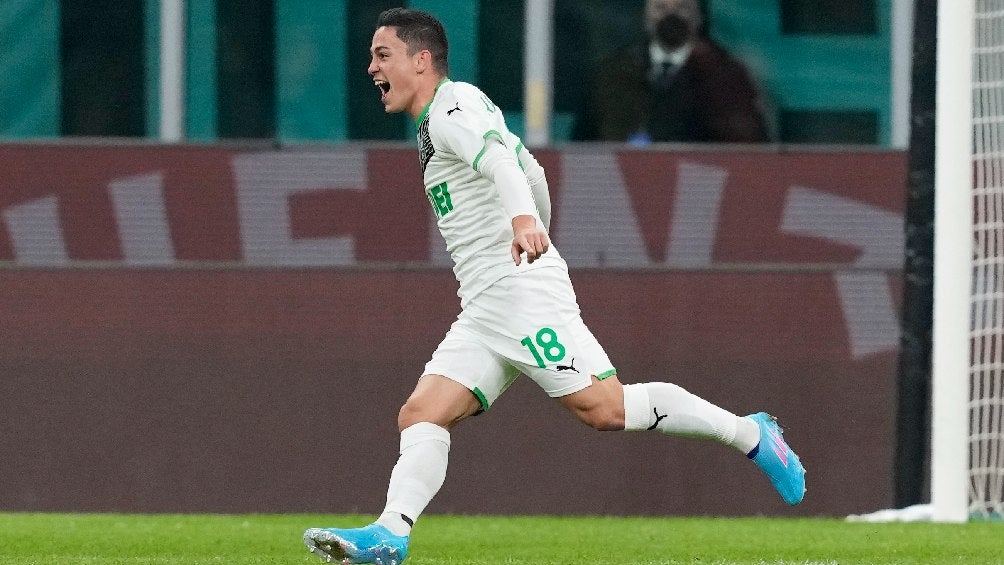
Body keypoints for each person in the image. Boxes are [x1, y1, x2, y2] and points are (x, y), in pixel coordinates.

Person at [303, 8, 803, 564]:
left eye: (383, 54)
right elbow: (529, 168)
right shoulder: (455, 108)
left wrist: (524, 226)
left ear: (421, 61)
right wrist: (533, 224)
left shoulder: (449, 110)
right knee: (423, 413)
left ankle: (752, 435)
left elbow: (502, 162)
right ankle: (391, 535)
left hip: (517, 295)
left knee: (606, 408)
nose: (371, 66)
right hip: (487, 302)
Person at [581, 0, 770, 144]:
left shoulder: (727, 74)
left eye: (681, 8)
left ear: (698, 17)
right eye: (661, 8)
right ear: (646, 17)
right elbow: (584, 141)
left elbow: (748, 142)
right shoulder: (612, 72)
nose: (670, 18)